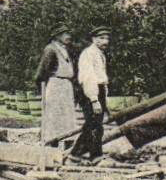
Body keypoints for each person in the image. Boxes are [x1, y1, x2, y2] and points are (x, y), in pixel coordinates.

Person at [72, 29, 111, 163]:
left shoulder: (99, 54)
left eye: (107, 38)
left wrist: (103, 94)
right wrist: (94, 99)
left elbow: (101, 76)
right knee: (94, 125)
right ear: (94, 39)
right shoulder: (88, 54)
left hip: (98, 90)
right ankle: (94, 156)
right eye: (102, 38)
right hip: (90, 91)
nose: (105, 41)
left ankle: (78, 153)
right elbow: (88, 77)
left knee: (95, 124)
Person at [35, 27, 78, 146]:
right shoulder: (51, 49)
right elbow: (43, 71)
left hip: (66, 85)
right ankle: (51, 144)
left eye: (69, 33)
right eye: (65, 34)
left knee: (67, 116)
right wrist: (41, 87)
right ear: (57, 36)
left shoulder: (65, 50)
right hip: (56, 84)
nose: (68, 36)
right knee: (54, 116)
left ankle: (67, 143)